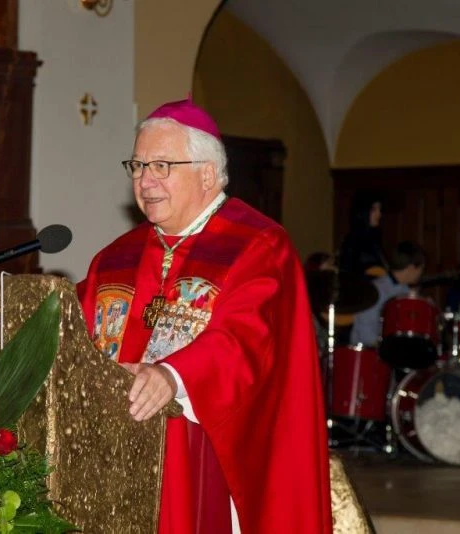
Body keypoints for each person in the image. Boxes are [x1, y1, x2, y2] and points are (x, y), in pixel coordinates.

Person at [77, 97, 331, 534]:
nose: (145, 180)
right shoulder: (116, 257)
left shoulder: (257, 245)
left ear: (208, 174)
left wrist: (171, 375)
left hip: (208, 453)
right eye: (137, 166)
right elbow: (75, 331)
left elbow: (243, 340)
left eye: (162, 166)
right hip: (115, 456)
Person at [350, 241, 426, 348]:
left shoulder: (406, 291)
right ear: (411, 268)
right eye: (421, 269)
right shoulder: (376, 290)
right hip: (367, 351)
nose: (421, 274)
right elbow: (366, 333)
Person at [338, 191, 388, 278]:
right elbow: (347, 271)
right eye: (373, 210)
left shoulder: (375, 238)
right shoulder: (352, 240)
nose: (379, 214)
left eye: (379, 209)